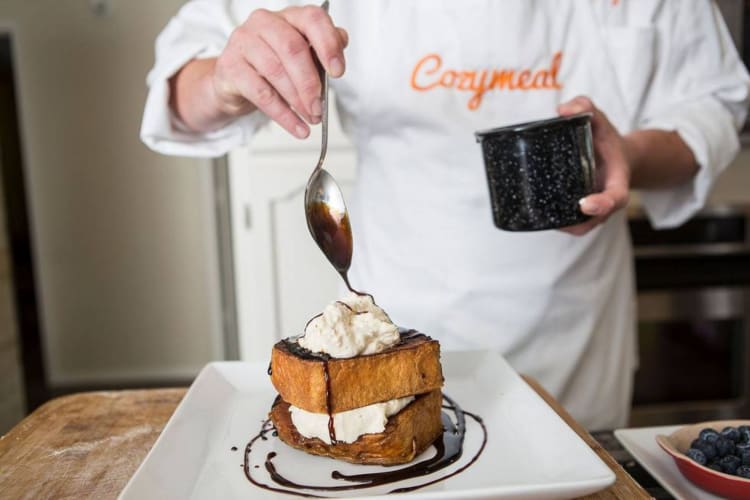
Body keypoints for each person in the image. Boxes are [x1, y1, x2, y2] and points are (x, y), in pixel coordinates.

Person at [141, 0, 750, 430]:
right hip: (391, 343)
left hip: (575, 346)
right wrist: (226, 81)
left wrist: (630, 157)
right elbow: (174, 95)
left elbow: (718, 105)